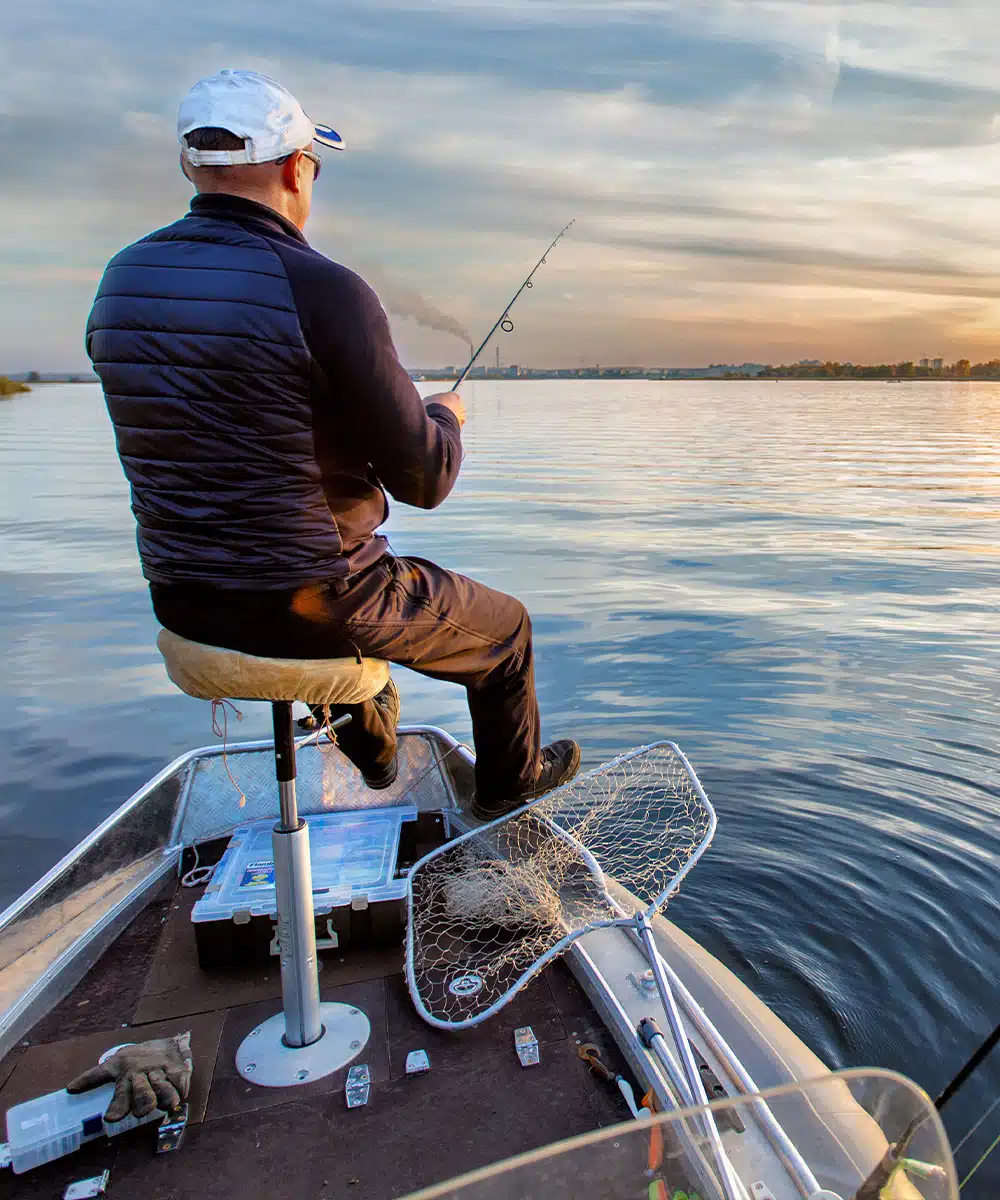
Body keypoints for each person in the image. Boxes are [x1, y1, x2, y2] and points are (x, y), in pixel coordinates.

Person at [87, 69, 580, 820]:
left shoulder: (121, 280)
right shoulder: (323, 288)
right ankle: (508, 799)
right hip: (316, 600)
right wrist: (444, 417)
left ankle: (374, 743)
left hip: (182, 600)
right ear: (295, 168)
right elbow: (426, 479)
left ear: (191, 165)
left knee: (348, 610)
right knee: (504, 631)